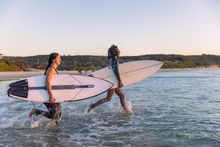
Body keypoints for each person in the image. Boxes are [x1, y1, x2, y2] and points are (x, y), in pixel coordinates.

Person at [87, 45, 133, 114]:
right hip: (113, 81)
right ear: (115, 52)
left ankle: (126, 110)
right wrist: (120, 81)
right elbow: (115, 70)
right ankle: (92, 106)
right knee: (108, 98)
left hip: (113, 80)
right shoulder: (114, 58)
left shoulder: (113, 58)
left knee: (121, 96)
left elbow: (113, 69)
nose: (119, 50)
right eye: (118, 49)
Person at [29, 53, 62, 122]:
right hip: (48, 94)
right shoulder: (51, 69)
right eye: (58, 58)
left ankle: (54, 132)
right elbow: (47, 82)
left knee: (58, 114)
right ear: (53, 60)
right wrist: (51, 96)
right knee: (54, 115)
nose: (60, 60)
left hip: (53, 94)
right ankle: (36, 111)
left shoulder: (53, 68)